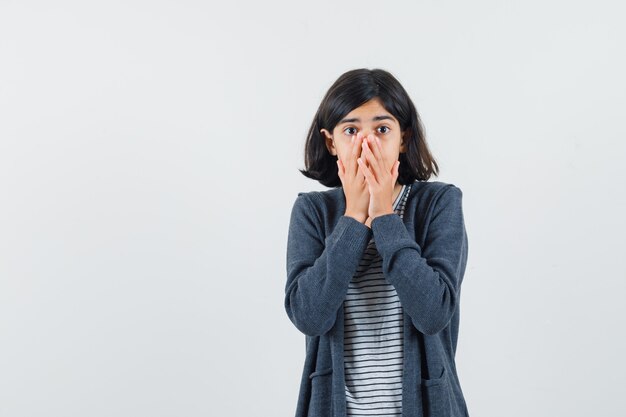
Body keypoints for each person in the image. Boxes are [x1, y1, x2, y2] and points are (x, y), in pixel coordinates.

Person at [285, 68, 470, 417]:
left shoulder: (439, 204)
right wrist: (354, 217)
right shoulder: (312, 211)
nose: (366, 143)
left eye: (382, 129)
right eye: (351, 130)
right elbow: (309, 315)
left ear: (403, 137)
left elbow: (434, 313)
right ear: (331, 142)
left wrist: (384, 216)